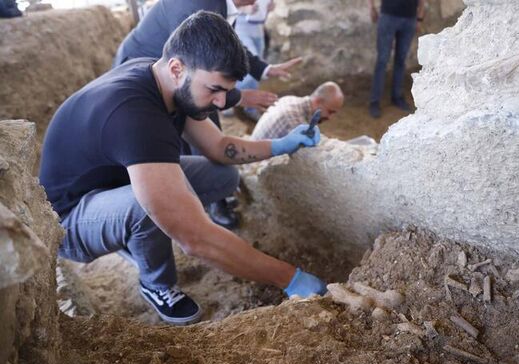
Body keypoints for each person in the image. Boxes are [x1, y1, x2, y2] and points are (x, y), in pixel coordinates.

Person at [39, 11, 327, 326]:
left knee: (223, 176)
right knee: (146, 207)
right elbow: (196, 240)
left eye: (225, 91)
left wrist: (282, 144)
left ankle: (133, 231)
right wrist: (290, 278)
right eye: (214, 89)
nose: (221, 103)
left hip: (115, 182)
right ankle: (156, 284)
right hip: (68, 221)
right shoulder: (136, 117)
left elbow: (218, 148)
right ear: (177, 68)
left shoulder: (167, 79)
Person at [113, 0, 300, 228]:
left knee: (197, 124)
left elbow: (225, 48)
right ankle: (208, 202)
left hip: (183, 73)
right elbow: (197, 69)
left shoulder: (220, 5)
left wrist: (264, 69)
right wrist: (239, 97)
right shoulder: (200, 4)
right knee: (184, 127)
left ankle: (204, 192)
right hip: (145, 66)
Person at [367, 0, 424, 118]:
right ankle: (375, 101)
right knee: (382, 60)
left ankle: (397, 97)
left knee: (401, 61)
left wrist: (419, 18)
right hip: (388, 16)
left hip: (409, 18)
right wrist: (371, 8)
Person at [252, 82, 344, 140]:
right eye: (330, 112)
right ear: (318, 101)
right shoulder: (294, 122)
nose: (330, 118)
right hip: (256, 167)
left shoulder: (289, 99)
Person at [234, 0, 274, 121]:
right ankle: (232, 99)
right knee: (250, 69)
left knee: (257, 68)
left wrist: (269, 6)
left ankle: (249, 106)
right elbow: (227, 4)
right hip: (241, 25)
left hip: (258, 28)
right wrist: (243, 9)